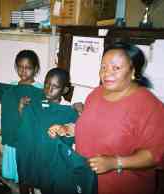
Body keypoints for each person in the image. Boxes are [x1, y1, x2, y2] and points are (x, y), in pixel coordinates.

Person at [48, 42, 164, 194]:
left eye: (116, 68)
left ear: (133, 71)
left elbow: (154, 155)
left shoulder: (149, 106)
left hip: (123, 187)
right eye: (103, 67)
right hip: (87, 182)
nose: (107, 73)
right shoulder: (96, 94)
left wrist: (116, 162)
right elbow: (91, 128)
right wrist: (67, 129)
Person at [17, 68, 97, 194]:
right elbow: (27, 127)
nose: (49, 89)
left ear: (64, 90)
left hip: (55, 164)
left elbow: (77, 137)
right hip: (35, 159)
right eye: (47, 84)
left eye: (55, 86)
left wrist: (77, 116)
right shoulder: (35, 105)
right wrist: (22, 109)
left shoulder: (69, 111)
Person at [0, 49, 43, 184]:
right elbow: (4, 106)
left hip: (27, 137)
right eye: (20, 67)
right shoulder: (11, 86)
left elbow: (43, 111)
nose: (23, 71)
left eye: (28, 68)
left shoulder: (40, 89)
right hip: (12, 135)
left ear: (35, 69)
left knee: (26, 171)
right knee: (14, 169)